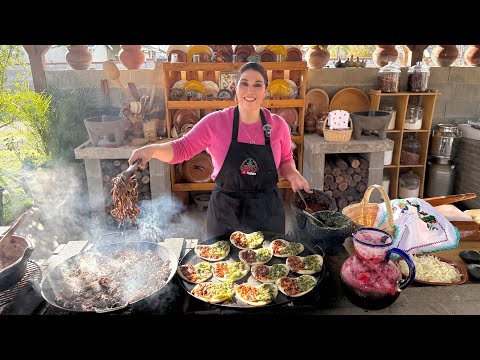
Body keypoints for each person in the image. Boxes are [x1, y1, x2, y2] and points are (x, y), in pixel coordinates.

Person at [129, 62, 312, 238]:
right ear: (236, 89)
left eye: (258, 85)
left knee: (267, 267)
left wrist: (294, 175)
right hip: (226, 211)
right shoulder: (215, 122)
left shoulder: (278, 125)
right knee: (222, 266)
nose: (250, 90)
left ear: (265, 91)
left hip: (267, 210)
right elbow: (182, 149)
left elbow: (286, 160)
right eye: (244, 83)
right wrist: (152, 150)